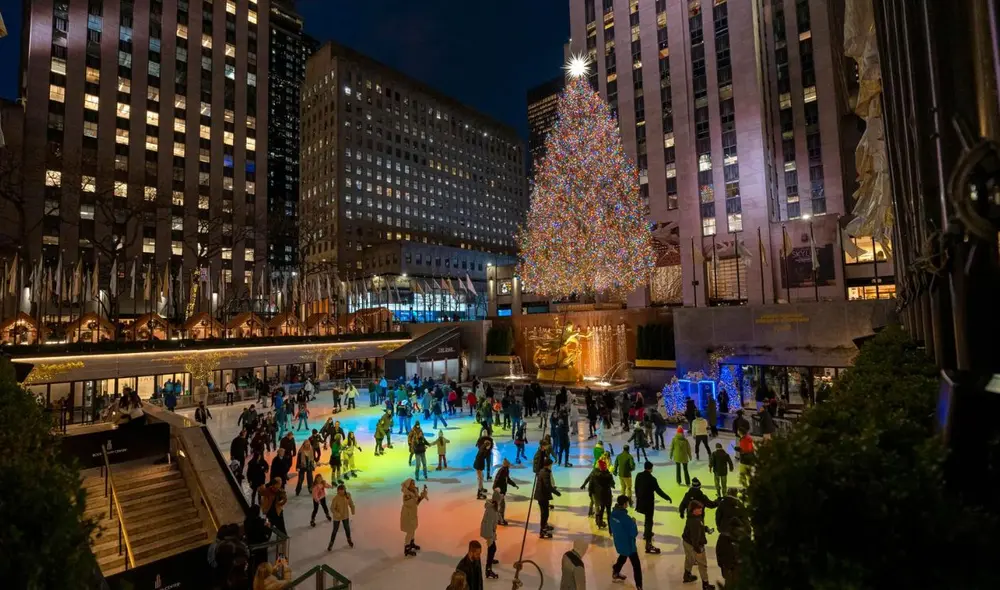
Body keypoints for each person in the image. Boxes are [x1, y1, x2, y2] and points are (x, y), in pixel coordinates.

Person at [634, 461, 672, 554]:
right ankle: (648, 542)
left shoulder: (638, 475)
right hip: (648, 503)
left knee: (647, 520)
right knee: (648, 521)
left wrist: (638, 497)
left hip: (640, 501)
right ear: (651, 468)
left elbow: (636, 487)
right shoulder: (652, 479)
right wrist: (667, 497)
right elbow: (658, 491)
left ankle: (646, 534)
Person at [609, 495, 644, 590]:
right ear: (624, 504)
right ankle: (639, 586)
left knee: (623, 557)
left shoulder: (613, 514)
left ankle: (616, 571)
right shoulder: (626, 518)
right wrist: (633, 522)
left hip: (619, 542)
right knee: (636, 566)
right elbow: (634, 533)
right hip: (629, 545)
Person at [681, 500, 715, 589]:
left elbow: (699, 527)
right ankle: (705, 584)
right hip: (695, 544)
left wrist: (706, 529)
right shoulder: (695, 521)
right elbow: (695, 538)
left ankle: (687, 575)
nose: (701, 510)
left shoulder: (692, 517)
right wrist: (698, 549)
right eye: (698, 509)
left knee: (690, 559)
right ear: (693, 509)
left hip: (686, 542)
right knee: (702, 564)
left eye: (701, 509)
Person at [400, 478, 428, 556]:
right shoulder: (406, 495)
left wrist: (421, 496)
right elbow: (412, 503)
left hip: (412, 514)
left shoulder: (413, 492)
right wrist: (419, 497)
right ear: (408, 485)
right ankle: (407, 547)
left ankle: (411, 542)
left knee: (413, 529)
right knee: (410, 531)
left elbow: (416, 503)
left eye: (414, 483)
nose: (414, 485)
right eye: (412, 484)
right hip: (408, 515)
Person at [534, 458, 560, 538]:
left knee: (545, 513)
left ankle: (544, 526)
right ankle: (542, 531)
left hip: (542, 495)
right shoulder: (546, 473)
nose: (551, 466)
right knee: (544, 514)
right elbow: (547, 486)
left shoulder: (542, 471)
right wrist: (556, 492)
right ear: (548, 465)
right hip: (542, 496)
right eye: (551, 465)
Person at [716, 516, 745, 585]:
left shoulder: (722, 536)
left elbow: (718, 551)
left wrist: (720, 563)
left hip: (727, 565)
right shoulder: (742, 536)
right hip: (736, 565)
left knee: (729, 583)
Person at [480, 490, 501, 580]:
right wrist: (490, 536)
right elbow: (488, 523)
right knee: (492, 548)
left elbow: (494, 520)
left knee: (492, 548)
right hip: (489, 532)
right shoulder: (491, 509)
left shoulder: (494, 507)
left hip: (491, 531)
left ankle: (490, 561)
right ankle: (488, 570)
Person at [327, 484, 356, 550]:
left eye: (342, 491)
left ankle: (349, 540)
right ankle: (331, 543)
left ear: (344, 490)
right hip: (337, 517)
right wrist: (337, 514)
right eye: (339, 492)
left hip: (345, 515)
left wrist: (352, 509)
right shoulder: (336, 498)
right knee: (335, 530)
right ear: (338, 491)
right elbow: (332, 508)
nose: (341, 493)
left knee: (347, 528)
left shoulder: (347, 495)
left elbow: (351, 503)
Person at [493, 458, 518, 525]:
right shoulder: (503, 471)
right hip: (500, 491)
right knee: (502, 505)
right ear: (506, 464)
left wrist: (514, 485)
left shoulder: (505, 470)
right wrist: (495, 488)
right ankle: (500, 520)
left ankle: (498, 518)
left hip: (501, 490)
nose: (510, 465)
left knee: (500, 505)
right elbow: (497, 479)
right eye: (509, 464)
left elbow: (508, 479)